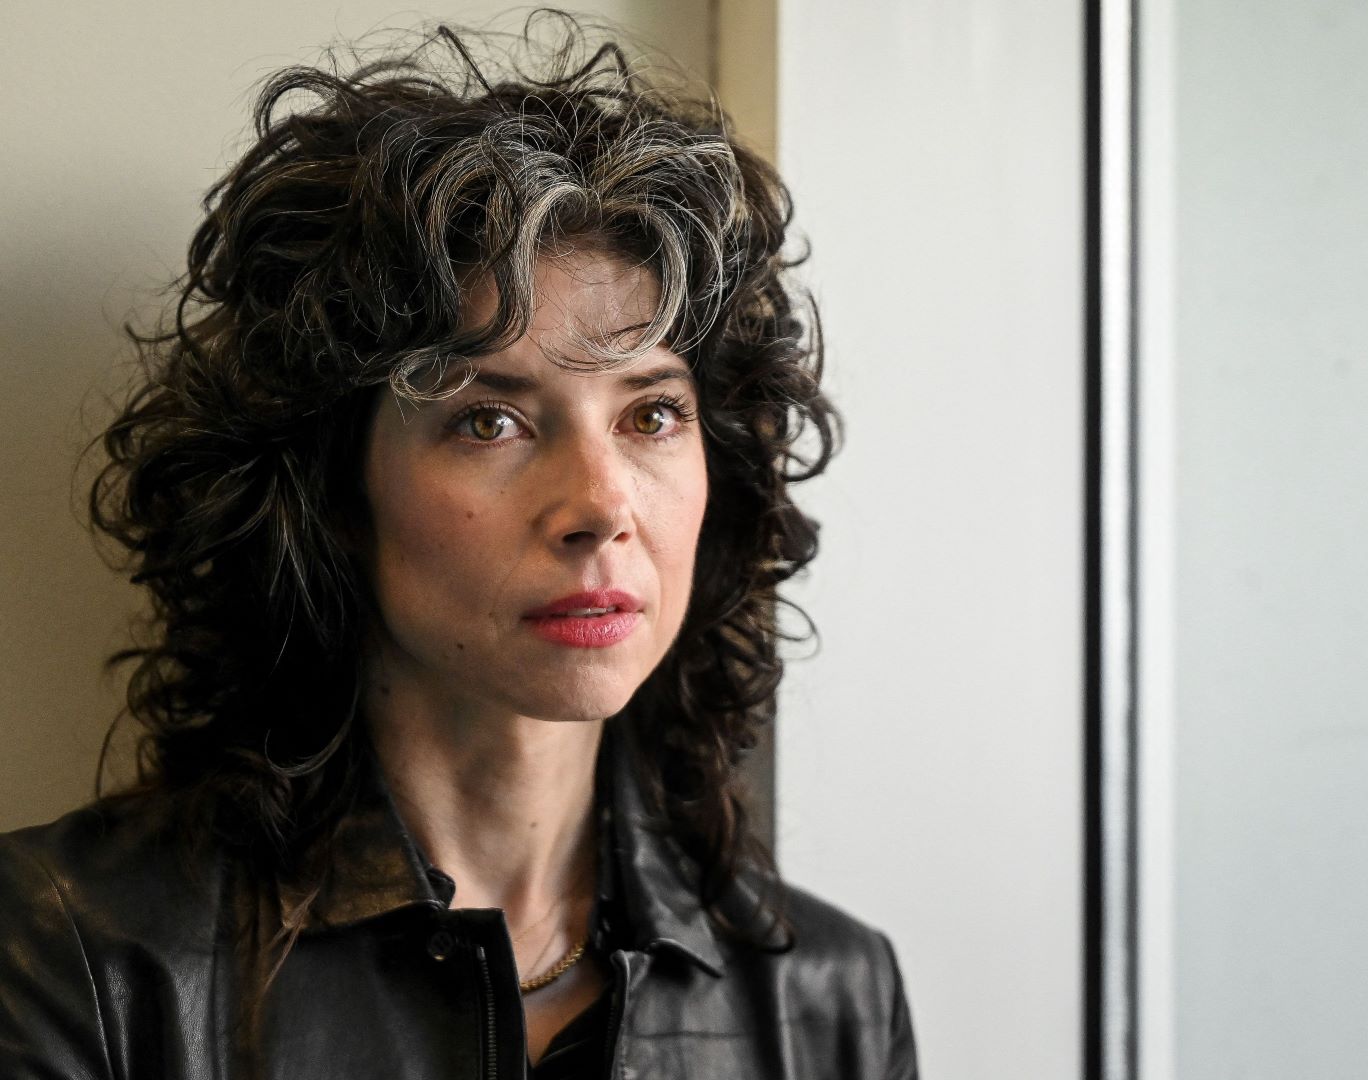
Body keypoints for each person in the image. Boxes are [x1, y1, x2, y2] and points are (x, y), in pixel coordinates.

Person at [0, 13, 916, 1079]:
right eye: (492, 420)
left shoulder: (829, 999)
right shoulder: (74, 959)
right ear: (332, 488)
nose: (600, 505)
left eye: (653, 414)